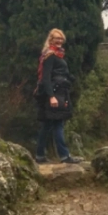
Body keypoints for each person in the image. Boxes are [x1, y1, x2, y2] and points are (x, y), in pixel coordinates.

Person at [34, 28, 81, 164]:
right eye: (56, 38)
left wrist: (71, 78)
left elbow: (61, 73)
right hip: (55, 94)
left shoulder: (58, 56)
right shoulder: (50, 56)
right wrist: (51, 96)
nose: (59, 40)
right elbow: (46, 78)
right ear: (51, 40)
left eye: (61, 38)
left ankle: (40, 155)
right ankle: (64, 156)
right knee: (58, 124)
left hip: (59, 92)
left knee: (47, 125)